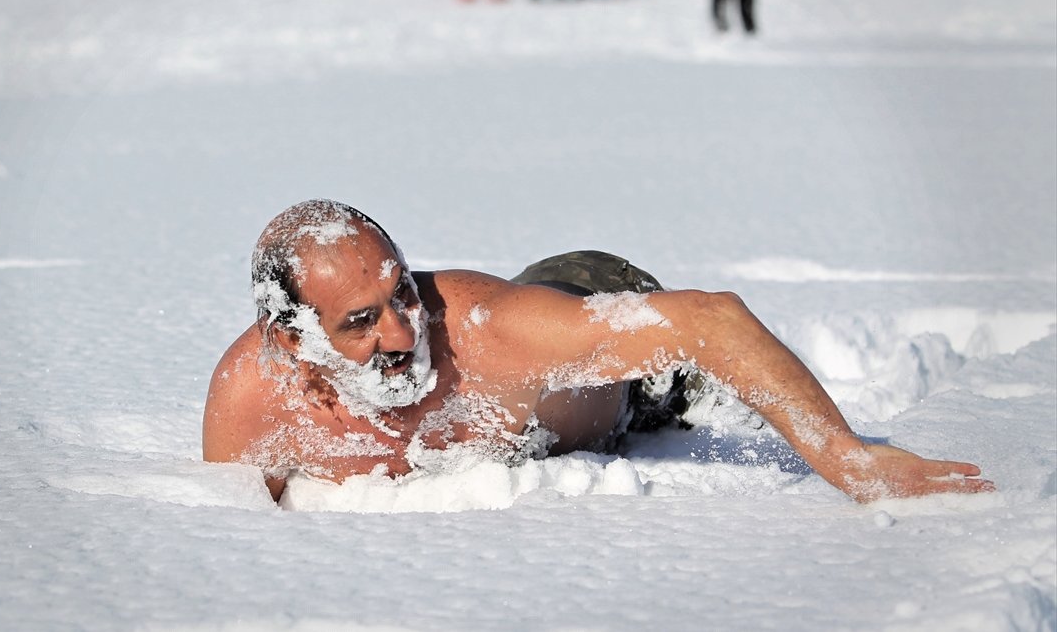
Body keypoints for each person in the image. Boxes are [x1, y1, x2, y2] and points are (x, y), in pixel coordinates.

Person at [202, 199, 994, 504]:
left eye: (403, 291)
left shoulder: (483, 333)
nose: (406, 334)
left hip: (605, 333)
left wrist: (849, 457)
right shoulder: (249, 404)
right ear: (291, 339)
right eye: (362, 322)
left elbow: (713, 321)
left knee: (654, 364)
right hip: (537, 355)